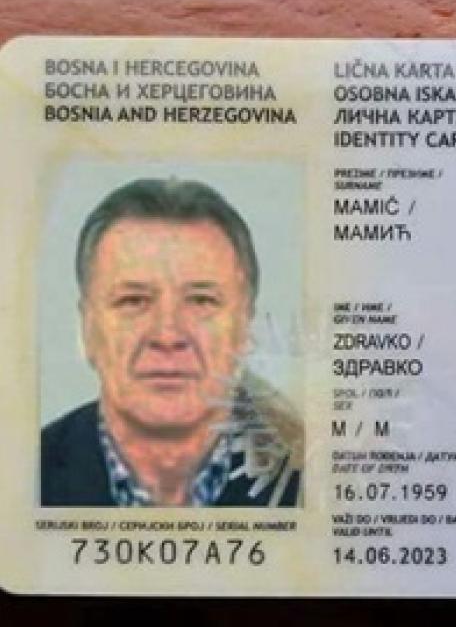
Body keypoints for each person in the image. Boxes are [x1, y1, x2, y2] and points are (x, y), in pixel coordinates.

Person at [41, 178, 303, 506]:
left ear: (245, 327)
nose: (168, 336)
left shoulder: (320, 480)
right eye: (133, 301)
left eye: (201, 301)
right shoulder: (19, 479)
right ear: (86, 328)